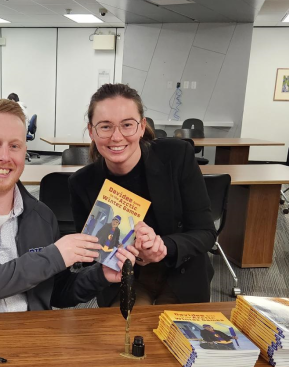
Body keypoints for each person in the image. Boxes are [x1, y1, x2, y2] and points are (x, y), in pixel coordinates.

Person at [0, 98, 137, 316]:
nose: (4, 156)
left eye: (14, 146)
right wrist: (53, 257)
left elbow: (55, 291)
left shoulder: (42, 216)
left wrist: (100, 275)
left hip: (29, 337)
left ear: (24, 151)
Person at [69, 83, 217, 307]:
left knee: (173, 335)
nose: (116, 137)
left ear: (142, 126)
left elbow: (206, 232)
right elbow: (92, 257)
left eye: (127, 125)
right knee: (130, 334)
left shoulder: (177, 157)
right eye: (105, 127)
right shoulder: (82, 183)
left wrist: (164, 246)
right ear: (91, 131)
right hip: (124, 275)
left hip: (181, 269)